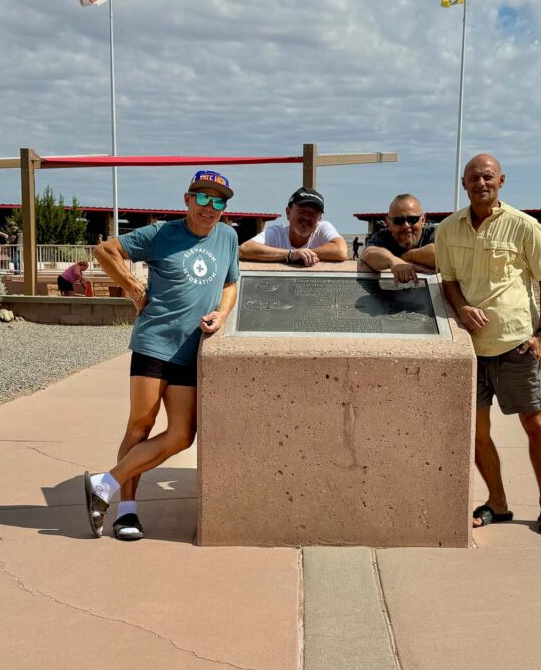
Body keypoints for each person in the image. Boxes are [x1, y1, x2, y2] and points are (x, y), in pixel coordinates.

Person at [82, 170, 239, 541]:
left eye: (219, 201)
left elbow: (231, 282)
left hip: (191, 350)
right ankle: (127, 511)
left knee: (182, 435)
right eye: (203, 198)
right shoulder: (160, 234)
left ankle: (103, 485)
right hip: (155, 343)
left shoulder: (229, 237)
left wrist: (223, 312)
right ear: (187, 200)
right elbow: (105, 251)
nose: (210, 207)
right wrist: (135, 288)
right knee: (140, 425)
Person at [436, 153, 541, 535]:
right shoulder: (448, 229)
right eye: (474, 177)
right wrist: (461, 307)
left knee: (534, 423)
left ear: (501, 181)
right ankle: (498, 502)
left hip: (516, 344)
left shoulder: (524, 226)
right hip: (470, 348)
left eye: (488, 177)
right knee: (477, 431)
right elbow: (448, 280)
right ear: (463, 184)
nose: (481, 183)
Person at [238, 187, 348, 266]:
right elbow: (245, 249)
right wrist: (291, 254)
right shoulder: (276, 232)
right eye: (301, 211)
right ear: (288, 212)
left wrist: (304, 254)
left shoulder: (323, 228)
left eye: (313, 214)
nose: (306, 217)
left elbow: (341, 251)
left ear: (319, 219)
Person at [360, 194, 437, 285]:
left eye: (412, 219)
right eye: (399, 221)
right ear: (388, 223)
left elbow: (441, 255)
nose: (406, 226)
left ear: (423, 220)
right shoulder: (383, 237)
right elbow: (369, 253)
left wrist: (405, 257)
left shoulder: (434, 233)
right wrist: (392, 261)